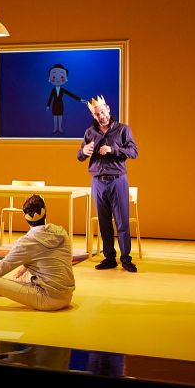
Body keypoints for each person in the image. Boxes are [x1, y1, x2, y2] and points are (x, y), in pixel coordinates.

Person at [77, 95, 138, 272]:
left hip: (117, 180)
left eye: (103, 112)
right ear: (93, 115)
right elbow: (79, 156)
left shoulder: (122, 129)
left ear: (108, 109)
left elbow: (134, 152)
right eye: (97, 114)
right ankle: (109, 258)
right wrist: (84, 151)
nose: (101, 116)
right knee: (104, 223)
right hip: (97, 182)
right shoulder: (90, 132)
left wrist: (113, 149)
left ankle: (126, 259)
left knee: (122, 222)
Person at [45, 63, 82, 134]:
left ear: (65, 78)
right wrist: (48, 105)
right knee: (55, 116)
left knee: (60, 116)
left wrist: (79, 99)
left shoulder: (62, 90)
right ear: (50, 78)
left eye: (62, 77)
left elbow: (70, 94)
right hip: (54, 105)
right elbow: (50, 98)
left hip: (60, 105)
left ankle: (60, 128)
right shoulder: (53, 90)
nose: (58, 79)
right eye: (54, 77)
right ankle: (55, 128)